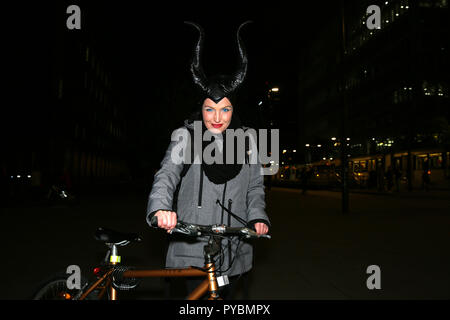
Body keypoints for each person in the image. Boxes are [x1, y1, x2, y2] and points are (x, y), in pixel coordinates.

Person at [146, 21, 270, 299]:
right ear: (200, 108)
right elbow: (167, 174)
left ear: (233, 109)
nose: (217, 118)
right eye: (210, 109)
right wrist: (160, 209)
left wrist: (258, 218)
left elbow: (254, 189)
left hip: (233, 243)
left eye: (225, 109)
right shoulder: (186, 136)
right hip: (192, 242)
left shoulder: (249, 141)